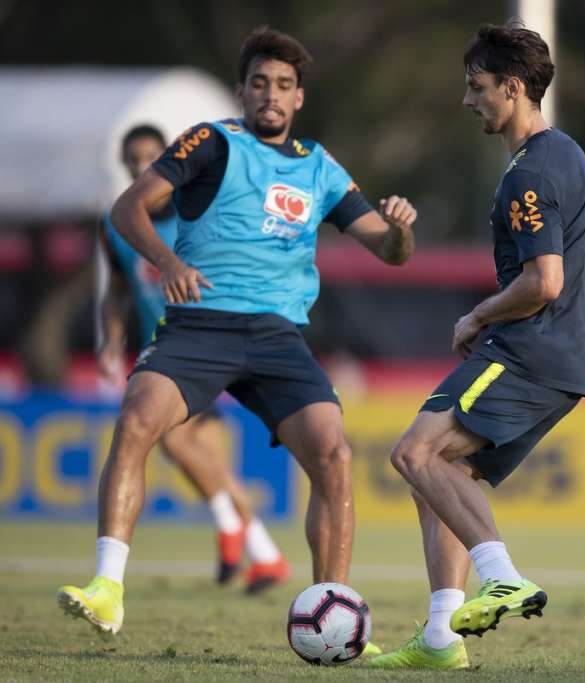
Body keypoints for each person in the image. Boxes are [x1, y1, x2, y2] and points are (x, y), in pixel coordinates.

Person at [57, 26, 417, 638]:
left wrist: (401, 228)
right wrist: (169, 263)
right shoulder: (211, 142)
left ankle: (331, 614)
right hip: (200, 326)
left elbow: (389, 250)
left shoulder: (320, 168)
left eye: (283, 85)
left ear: (299, 97)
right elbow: (128, 209)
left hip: (279, 336)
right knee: (138, 420)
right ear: (241, 92)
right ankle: (108, 586)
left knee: (333, 453)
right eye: (259, 83)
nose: (270, 95)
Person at [369, 21, 585, 671]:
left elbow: (545, 280)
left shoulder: (527, 174)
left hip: (526, 348)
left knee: (413, 452)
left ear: (514, 87)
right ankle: (443, 635)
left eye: (477, 87)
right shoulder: (570, 157)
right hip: (559, 357)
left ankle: (503, 577)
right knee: (443, 476)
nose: (468, 100)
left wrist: (480, 313)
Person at [95, 123, 288, 592]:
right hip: (161, 351)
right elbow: (117, 289)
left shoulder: (193, 210)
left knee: (178, 445)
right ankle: (255, 548)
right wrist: (111, 339)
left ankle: (247, 540)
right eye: (134, 160)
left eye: (150, 157)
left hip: (208, 341)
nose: (143, 167)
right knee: (195, 455)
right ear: (126, 166)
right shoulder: (118, 224)